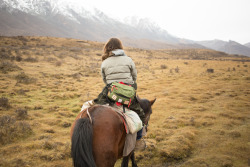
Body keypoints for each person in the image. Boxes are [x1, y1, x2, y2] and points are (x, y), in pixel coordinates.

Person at [93, 38, 145, 125]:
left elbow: (105, 80)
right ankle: (139, 135)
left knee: (96, 107)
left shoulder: (104, 62)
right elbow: (134, 77)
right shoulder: (128, 60)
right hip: (127, 92)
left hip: (112, 91)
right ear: (120, 47)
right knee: (140, 114)